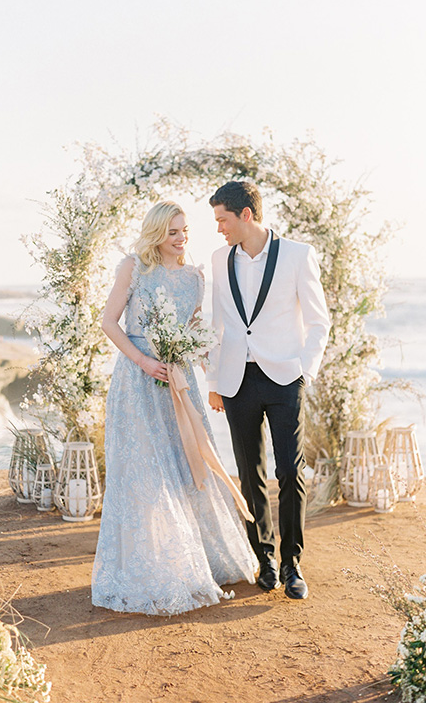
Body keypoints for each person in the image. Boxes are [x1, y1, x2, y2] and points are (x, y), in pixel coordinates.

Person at [92, 201, 257, 616]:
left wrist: (201, 362)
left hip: (179, 382)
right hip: (137, 380)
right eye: (173, 233)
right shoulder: (132, 268)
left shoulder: (195, 278)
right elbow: (109, 321)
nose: (181, 239)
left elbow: (196, 331)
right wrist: (146, 361)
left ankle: (191, 560)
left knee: (186, 465)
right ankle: (151, 567)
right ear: (156, 234)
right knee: (144, 471)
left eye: (184, 231)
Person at [207, 181, 330, 600]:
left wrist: (304, 373)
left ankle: (294, 564)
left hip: (284, 378)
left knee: (290, 472)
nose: (218, 228)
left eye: (222, 219)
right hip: (237, 380)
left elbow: (319, 322)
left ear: (246, 215)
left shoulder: (298, 255)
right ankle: (266, 560)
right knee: (249, 474)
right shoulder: (219, 259)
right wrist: (214, 383)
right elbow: (217, 327)